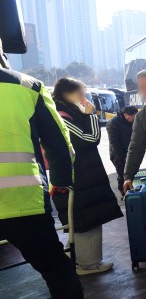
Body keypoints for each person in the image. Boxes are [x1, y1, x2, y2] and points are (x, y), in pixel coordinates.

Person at [0, 65, 110, 299]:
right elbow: (60, 145)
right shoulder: (27, 86)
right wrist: (61, 182)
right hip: (21, 200)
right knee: (56, 269)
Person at [52, 78, 123, 275]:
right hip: (79, 178)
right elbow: (89, 139)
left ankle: (80, 260)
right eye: (80, 94)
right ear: (67, 94)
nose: (84, 98)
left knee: (85, 219)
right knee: (86, 220)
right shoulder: (63, 116)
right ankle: (87, 264)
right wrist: (91, 115)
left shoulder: (67, 113)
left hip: (84, 177)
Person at [106, 105, 138, 193]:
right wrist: (121, 157)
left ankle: (130, 192)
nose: (135, 119)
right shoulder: (113, 123)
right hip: (118, 155)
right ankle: (124, 194)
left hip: (129, 153)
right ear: (126, 115)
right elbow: (114, 143)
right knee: (122, 175)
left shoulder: (131, 122)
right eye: (134, 116)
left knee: (130, 173)